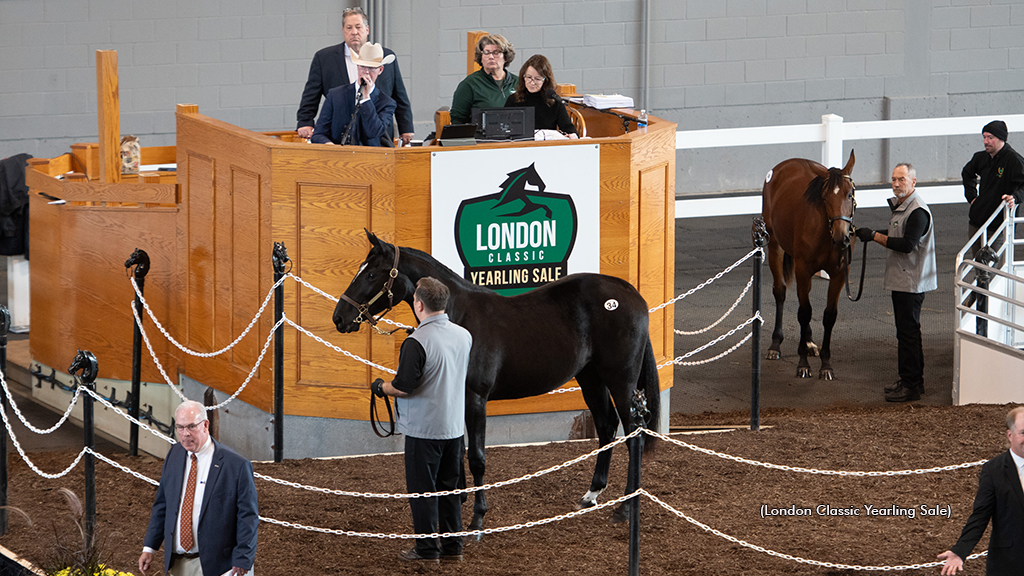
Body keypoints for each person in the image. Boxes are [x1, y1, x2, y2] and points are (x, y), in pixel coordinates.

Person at [370, 277, 473, 563]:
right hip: (453, 429)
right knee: (450, 489)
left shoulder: (416, 342)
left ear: (418, 304)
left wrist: (380, 388)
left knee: (422, 491)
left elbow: (404, 386)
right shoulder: (464, 335)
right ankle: (454, 546)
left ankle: (427, 549)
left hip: (424, 431)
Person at [139, 401, 258, 576]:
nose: (185, 434)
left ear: (205, 425)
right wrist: (149, 547)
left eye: (191, 427)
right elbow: (163, 504)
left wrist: (243, 558)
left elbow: (247, 517)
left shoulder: (236, 465)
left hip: (222, 567)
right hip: (179, 564)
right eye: (180, 427)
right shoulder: (174, 454)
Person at [855, 163, 937, 403]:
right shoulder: (905, 208)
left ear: (913, 181)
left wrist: (874, 236)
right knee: (907, 332)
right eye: (893, 179)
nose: (896, 183)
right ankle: (913, 381)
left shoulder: (917, 211)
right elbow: (899, 234)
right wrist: (870, 233)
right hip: (905, 279)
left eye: (901, 179)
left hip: (911, 281)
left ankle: (911, 385)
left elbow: (907, 244)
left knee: (908, 333)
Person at [296, 7, 413, 145]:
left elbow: (399, 93)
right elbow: (311, 94)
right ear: (343, 30)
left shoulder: (385, 56)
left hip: (377, 133)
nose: (354, 32)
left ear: (367, 29)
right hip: (340, 132)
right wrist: (305, 121)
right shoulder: (324, 58)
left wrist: (406, 127)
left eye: (358, 27)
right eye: (349, 27)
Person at [937, 406, 1024, 575]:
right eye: (1023, 432)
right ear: (1009, 435)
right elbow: (980, 515)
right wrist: (960, 551)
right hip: (1009, 564)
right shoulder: (993, 470)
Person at [961, 120, 1024, 294]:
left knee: (992, 268)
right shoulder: (980, 158)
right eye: (984, 137)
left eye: (990, 137)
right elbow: (967, 174)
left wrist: (1015, 198)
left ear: (1001, 139)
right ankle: (979, 302)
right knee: (979, 266)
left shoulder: (1014, 160)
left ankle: (981, 301)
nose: (986, 141)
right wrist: (972, 197)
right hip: (977, 222)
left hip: (998, 225)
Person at [311, 43, 397, 147]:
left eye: (371, 68)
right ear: (357, 67)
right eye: (362, 67)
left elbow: (373, 133)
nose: (366, 72)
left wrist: (366, 99)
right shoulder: (335, 95)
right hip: (339, 158)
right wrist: (331, 147)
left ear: (380, 70)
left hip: (371, 159)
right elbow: (319, 133)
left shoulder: (386, 103)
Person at [504, 54, 578, 139]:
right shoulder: (513, 100)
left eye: (537, 79)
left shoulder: (553, 100)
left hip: (546, 146)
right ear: (523, 77)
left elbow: (567, 127)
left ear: (545, 80)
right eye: (529, 77)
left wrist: (572, 134)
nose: (532, 82)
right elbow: (504, 128)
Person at [450, 34, 517, 125]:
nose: (491, 57)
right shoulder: (469, 84)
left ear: (505, 56)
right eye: (486, 52)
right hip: (481, 137)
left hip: (515, 137)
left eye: (496, 52)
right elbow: (457, 120)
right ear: (481, 57)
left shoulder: (518, 83)